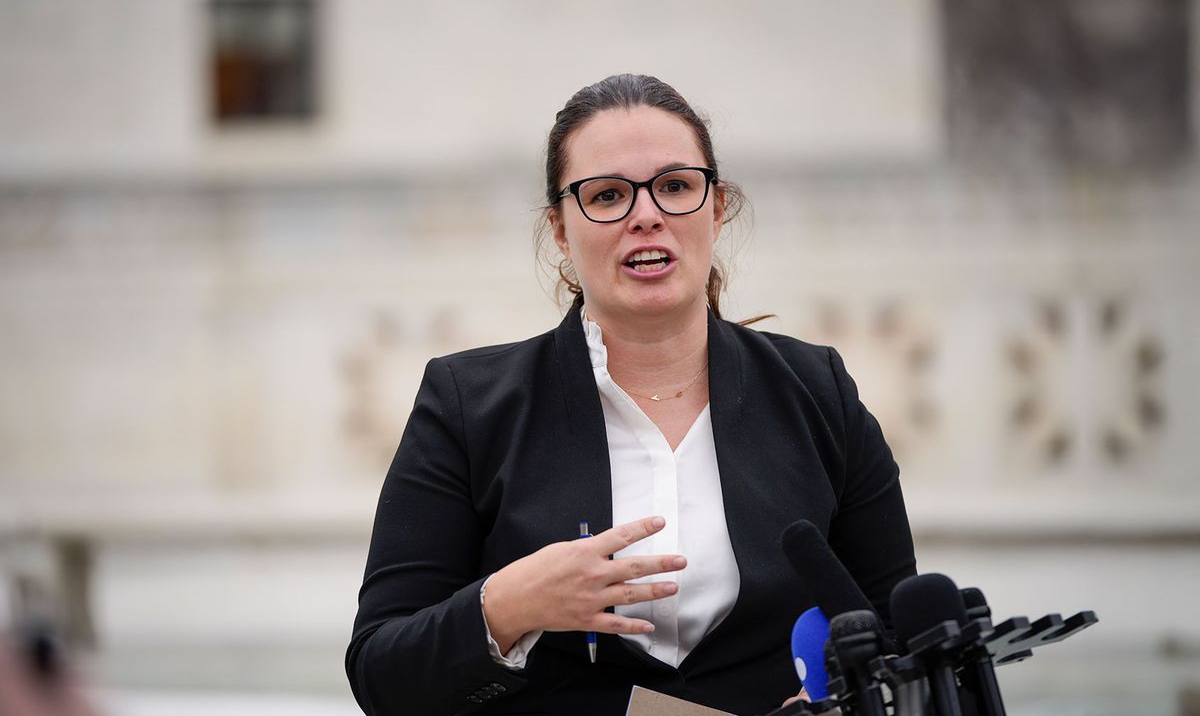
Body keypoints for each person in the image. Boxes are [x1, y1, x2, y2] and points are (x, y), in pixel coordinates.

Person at [345, 74, 916, 715]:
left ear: (717, 205)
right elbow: (380, 674)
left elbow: (902, 635)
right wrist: (508, 605)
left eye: (675, 186)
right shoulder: (468, 405)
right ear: (560, 229)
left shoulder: (819, 392)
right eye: (608, 195)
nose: (647, 215)